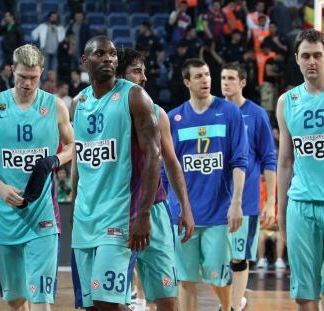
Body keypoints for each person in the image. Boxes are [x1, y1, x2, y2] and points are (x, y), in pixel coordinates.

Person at [70, 35, 161, 311]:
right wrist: (75, 204)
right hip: (85, 218)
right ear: (85, 61)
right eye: (100, 53)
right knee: (90, 306)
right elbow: (79, 159)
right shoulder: (77, 103)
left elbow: (153, 156)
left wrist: (143, 214)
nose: (108, 58)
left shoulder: (134, 97)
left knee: (105, 302)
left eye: (112, 54)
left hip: (118, 218)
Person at [0, 44, 74, 311]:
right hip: (4, 213)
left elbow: (73, 146)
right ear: (12, 70)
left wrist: (56, 159)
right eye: (22, 76)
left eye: (34, 77)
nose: (28, 83)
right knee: (15, 300)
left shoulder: (55, 106)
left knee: (41, 297)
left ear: (42, 73)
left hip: (42, 214)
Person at [166, 58, 248, 311]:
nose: (206, 80)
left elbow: (239, 160)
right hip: (183, 214)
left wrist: (236, 202)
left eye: (207, 74)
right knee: (186, 279)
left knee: (219, 276)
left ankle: (229, 308)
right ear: (187, 82)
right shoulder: (174, 118)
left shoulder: (229, 112)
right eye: (199, 76)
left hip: (217, 213)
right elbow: (166, 168)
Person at [116, 47, 195, 311]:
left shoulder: (159, 113)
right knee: (111, 299)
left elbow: (172, 162)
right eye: (136, 72)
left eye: (144, 71)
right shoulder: (104, 113)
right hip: (117, 210)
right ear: (119, 76)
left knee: (167, 297)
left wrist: (185, 207)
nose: (144, 78)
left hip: (155, 209)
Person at [221, 62, 277, 311]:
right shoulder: (213, 111)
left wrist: (270, 201)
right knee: (216, 260)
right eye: (222, 78)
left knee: (238, 257)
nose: (225, 83)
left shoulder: (256, 114)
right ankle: (231, 301)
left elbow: (270, 158)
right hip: (216, 200)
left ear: (243, 82)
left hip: (247, 200)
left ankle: (233, 306)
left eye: (231, 78)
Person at [276, 28, 324, 311]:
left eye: (318, 55)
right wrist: (281, 212)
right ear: (296, 59)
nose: (312, 62)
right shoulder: (287, 101)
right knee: (305, 293)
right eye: (306, 56)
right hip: (301, 205)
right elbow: (284, 162)